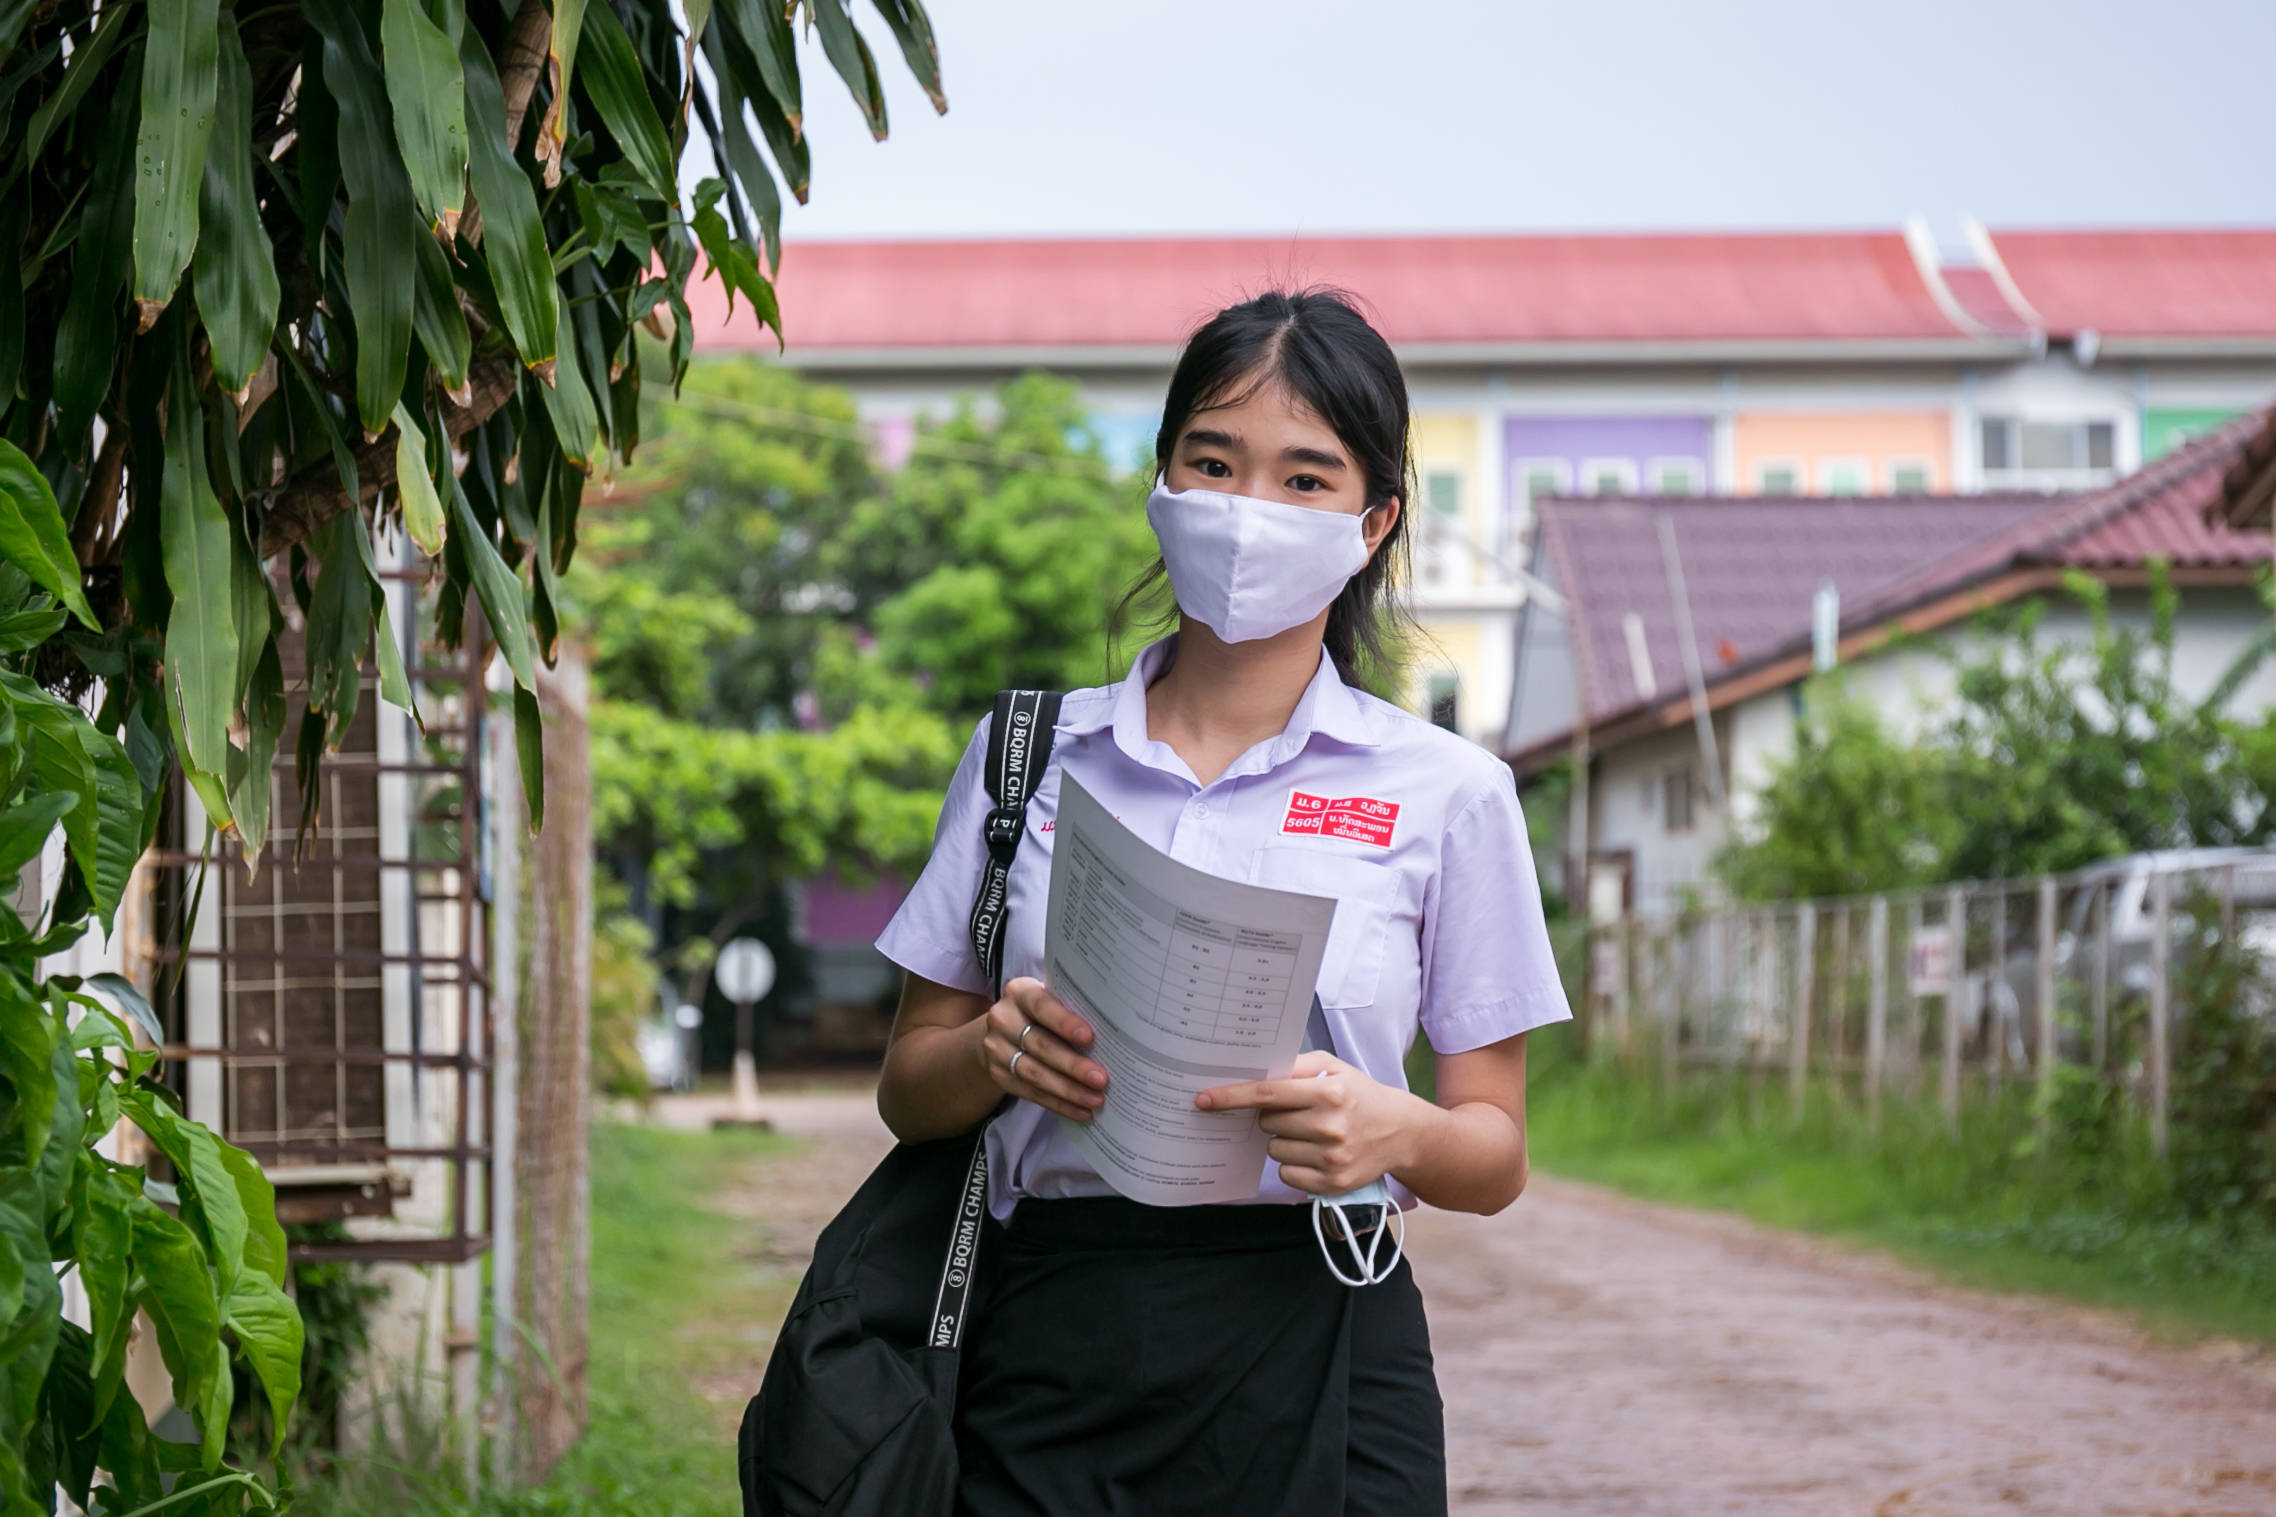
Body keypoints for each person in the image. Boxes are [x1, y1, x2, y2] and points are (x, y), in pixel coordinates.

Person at [872, 288, 1572, 1516]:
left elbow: (1494, 1149)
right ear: (1162, 479)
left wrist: (1390, 1129)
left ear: (1374, 521)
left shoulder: (1448, 792)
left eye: (1305, 478)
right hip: (1049, 1337)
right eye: (1214, 460)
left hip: (1321, 1325)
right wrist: (994, 1052)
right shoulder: (1026, 755)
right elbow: (905, 1087)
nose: (1249, 510)